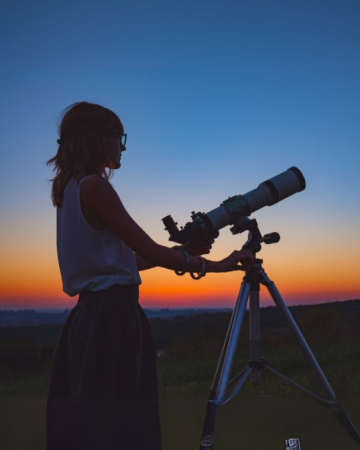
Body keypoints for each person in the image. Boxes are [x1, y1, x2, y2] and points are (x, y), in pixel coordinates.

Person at [46, 101, 254, 450]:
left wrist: (185, 252)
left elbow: (126, 261)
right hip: (114, 317)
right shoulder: (95, 186)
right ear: (98, 139)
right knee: (124, 425)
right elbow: (153, 253)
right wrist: (222, 264)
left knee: (97, 426)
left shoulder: (69, 190)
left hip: (88, 318)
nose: (122, 145)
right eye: (118, 136)